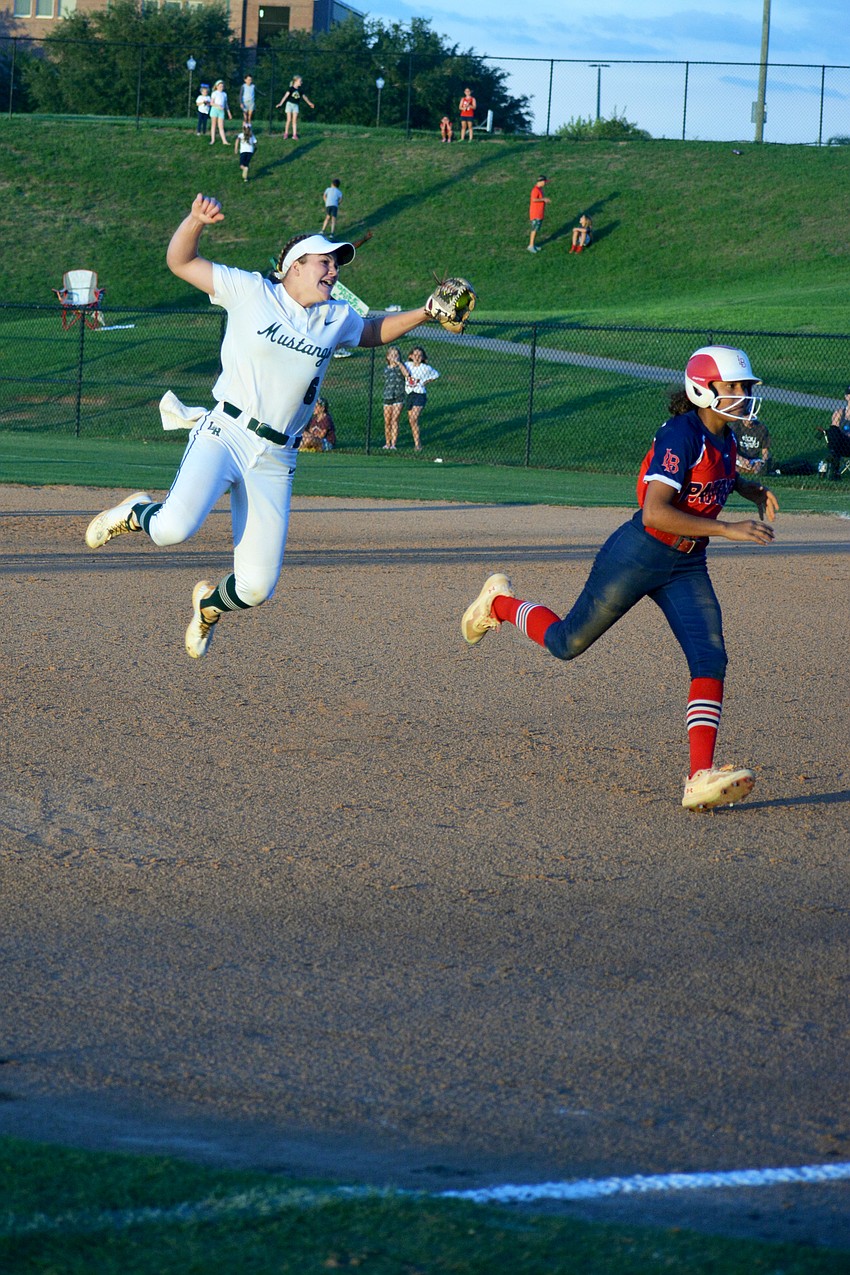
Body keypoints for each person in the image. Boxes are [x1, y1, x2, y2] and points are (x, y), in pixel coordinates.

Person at [84, 193, 461, 659]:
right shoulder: (251, 291)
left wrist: (425, 312)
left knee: (256, 587)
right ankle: (135, 511)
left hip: (278, 455)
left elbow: (370, 332)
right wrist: (195, 220)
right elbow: (180, 261)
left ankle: (207, 606)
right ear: (295, 266)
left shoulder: (335, 315)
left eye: (336, 265)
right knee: (171, 529)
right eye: (325, 262)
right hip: (226, 432)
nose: (334, 271)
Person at [461, 345, 779, 813]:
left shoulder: (725, 436)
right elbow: (656, 510)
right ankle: (500, 605)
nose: (741, 395)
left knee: (710, 656)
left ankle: (699, 777)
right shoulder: (680, 433)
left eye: (743, 387)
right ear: (700, 389)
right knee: (567, 644)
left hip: (687, 562)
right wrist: (726, 528)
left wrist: (749, 489)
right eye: (731, 387)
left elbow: (714, 477)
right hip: (640, 553)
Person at [402, 346, 439, 451]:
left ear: (423, 357)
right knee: (412, 421)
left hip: (419, 394)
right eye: (415, 355)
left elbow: (436, 375)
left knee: (414, 417)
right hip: (410, 394)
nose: (417, 357)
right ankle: (417, 443)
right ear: (411, 356)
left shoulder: (425, 368)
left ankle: (418, 444)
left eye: (419, 355)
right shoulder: (407, 365)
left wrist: (426, 381)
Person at [819, 384, 850, 480]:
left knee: (834, 433)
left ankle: (832, 458)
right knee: (833, 429)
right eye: (849, 394)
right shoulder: (840, 413)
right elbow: (834, 431)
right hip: (839, 444)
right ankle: (833, 459)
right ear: (846, 397)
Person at [381, 345, 406, 449]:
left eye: (396, 355)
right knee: (387, 421)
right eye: (392, 355)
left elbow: (406, 374)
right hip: (388, 395)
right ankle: (387, 442)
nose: (394, 357)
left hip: (398, 395)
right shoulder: (386, 369)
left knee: (394, 419)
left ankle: (393, 444)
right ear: (388, 357)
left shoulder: (401, 367)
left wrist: (399, 364)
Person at [275, 75, 314, 140]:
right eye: (300, 81)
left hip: (296, 105)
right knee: (289, 120)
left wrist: (310, 103)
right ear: (295, 81)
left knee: (294, 121)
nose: (301, 82)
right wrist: (280, 103)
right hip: (289, 105)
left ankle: (294, 135)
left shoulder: (300, 90)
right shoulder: (291, 89)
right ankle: (286, 134)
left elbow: (305, 97)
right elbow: (285, 96)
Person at [527, 175, 550, 253]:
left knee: (536, 229)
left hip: (539, 213)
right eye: (544, 182)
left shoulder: (539, 189)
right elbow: (533, 199)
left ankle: (533, 245)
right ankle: (531, 245)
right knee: (534, 229)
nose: (545, 183)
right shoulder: (535, 190)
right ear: (541, 181)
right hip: (535, 213)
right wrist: (544, 199)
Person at [209, 80, 231, 145]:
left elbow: (226, 104)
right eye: (220, 86)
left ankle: (224, 141)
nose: (221, 87)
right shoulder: (214, 93)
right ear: (217, 86)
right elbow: (211, 103)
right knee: (213, 125)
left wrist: (229, 112)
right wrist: (218, 106)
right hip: (215, 110)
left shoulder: (224, 94)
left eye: (222, 86)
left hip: (221, 111)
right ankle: (212, 140)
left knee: (221, 126)